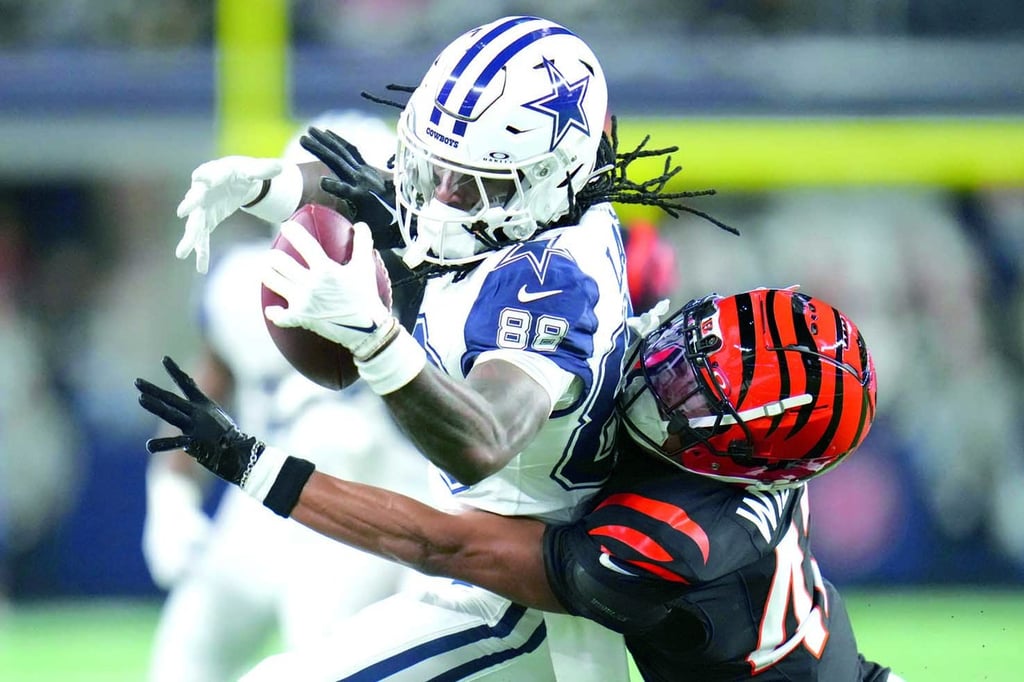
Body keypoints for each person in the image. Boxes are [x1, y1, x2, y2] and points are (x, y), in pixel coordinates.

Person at [168, 14, 732, 681]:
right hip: (476, 561)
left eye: (467, 183)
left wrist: (376, 340)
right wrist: (268, 186)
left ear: (550, 179)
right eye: (434, 168)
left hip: (524, 602)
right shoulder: (520, 213)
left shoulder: (553, 281)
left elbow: (483, 438)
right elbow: (377, 189)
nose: (439, 200)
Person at [136, 286, 903, 681]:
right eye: (687, 350)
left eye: (700, 400)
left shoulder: (670, 538)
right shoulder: (747, 446)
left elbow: (439, 543)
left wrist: (252, 464)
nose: (666, 376)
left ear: (745, 460)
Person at [143, 112, 429, 682]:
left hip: (359, 510)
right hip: (257, 499)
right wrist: (169, 494)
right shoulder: (240, 282)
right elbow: (208, 388)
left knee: (321, 656)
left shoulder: (426, 292)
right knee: (186, 651)